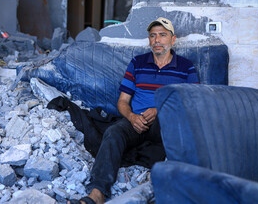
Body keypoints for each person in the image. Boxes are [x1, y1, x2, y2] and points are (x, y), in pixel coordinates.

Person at [67, 17, 199, 204]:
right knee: (113, 132)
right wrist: (131, 116)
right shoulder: (137, 63)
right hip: (136, 122)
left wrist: (158, 110)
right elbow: (123, 101)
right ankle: (97, 193)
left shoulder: (186, 67)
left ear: (173, 39)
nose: (156, 40)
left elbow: (191, 102)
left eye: (162, 35)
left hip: (165, 124)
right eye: (152, 36)